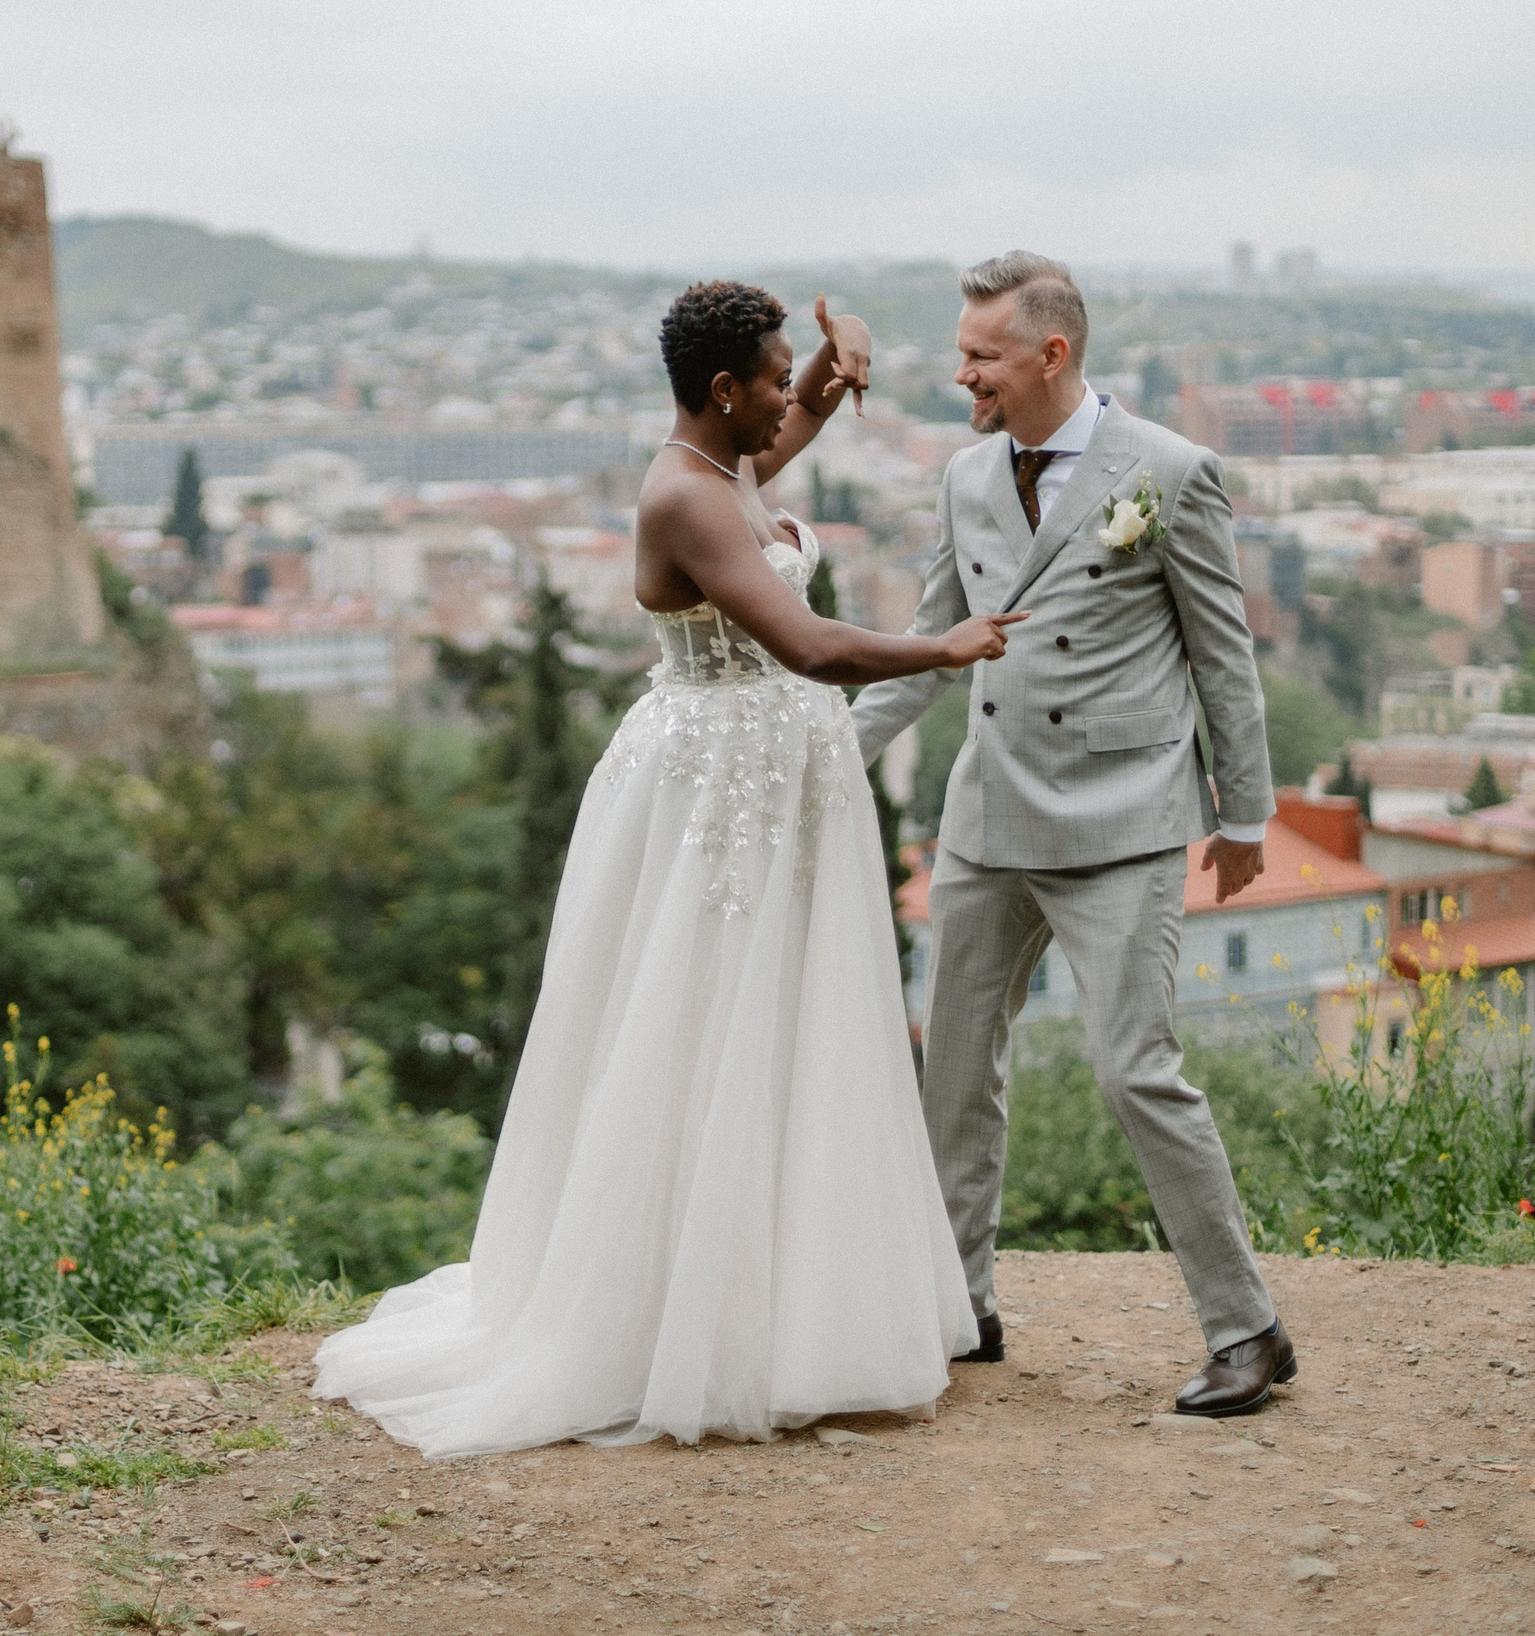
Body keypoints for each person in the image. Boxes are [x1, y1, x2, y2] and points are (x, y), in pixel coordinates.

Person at [311, 283, 1023, 1457]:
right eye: (773, 374)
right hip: (715, 805)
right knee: (700, 1033)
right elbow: (806, 644)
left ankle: (779, 1307)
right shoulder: (681, 499)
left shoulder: (727, 458)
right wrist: (940, 644)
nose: (784, 399)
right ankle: (668, 1324)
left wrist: (835, 375)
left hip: (767, 785)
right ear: (720, 389)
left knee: (779, 1031)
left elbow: (781, 438)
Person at [847, 251, 1297, 1418]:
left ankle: (1246, 1328)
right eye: (961, 354)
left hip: (1123, 822)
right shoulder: (959, 478)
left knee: (1133, 1069)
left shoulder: (1171, 470)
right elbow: (930, 643)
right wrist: (823, 752)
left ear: (1052, 354)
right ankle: (961, 1305)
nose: (961, 376)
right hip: (988, 817)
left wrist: (1244, 813)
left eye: (980, 356)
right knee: (952, 1074)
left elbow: (1222, 658)